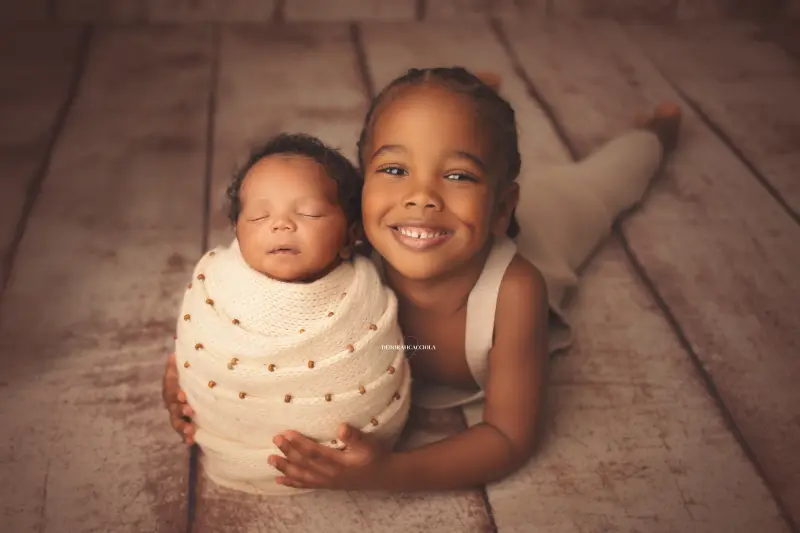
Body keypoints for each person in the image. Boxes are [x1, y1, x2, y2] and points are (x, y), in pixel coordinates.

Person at [162, 67, 682, 492]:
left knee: (608, 181)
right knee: (460, 126)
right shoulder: (350, 250)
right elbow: (244, 315)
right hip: (451, 228)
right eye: (393, 171)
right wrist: (192, 382)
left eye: (457, 176)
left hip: (548, 226)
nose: (421, 196)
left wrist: (389, 473)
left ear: (502, 207)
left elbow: (508, 436)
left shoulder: (515, 293)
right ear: (359, 192)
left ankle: (656, 132)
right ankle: (473, 112)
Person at [172, 132, 410, 495]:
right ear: (237, 230)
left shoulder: (365, 294)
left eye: (309, 213)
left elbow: (386, 356)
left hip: (359, 459)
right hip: (228, 444)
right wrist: (176, 376)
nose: (280, 224)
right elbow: (197, 349)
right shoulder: (216, 284)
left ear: (351, 237)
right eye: (259, 216)